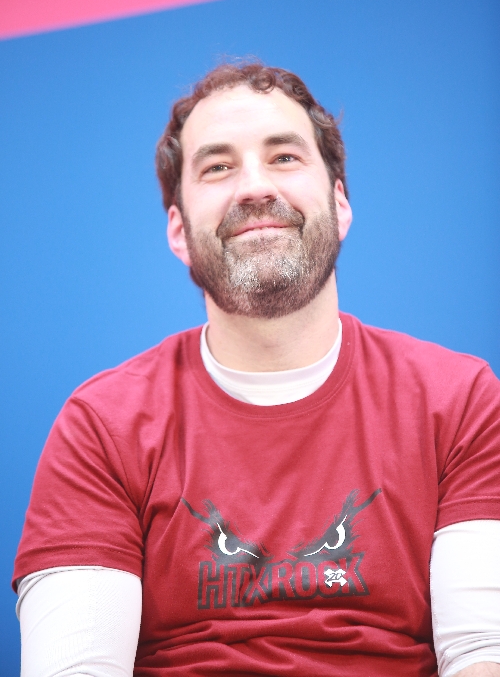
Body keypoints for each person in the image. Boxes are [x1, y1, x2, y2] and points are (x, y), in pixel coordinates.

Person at [14, 62, 500, 677]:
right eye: (218, 167)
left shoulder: (460, 402)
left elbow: (483, 653)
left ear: (340, 204)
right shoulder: (101, 426)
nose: (253, 187)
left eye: (284, 157)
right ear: (178, 232)